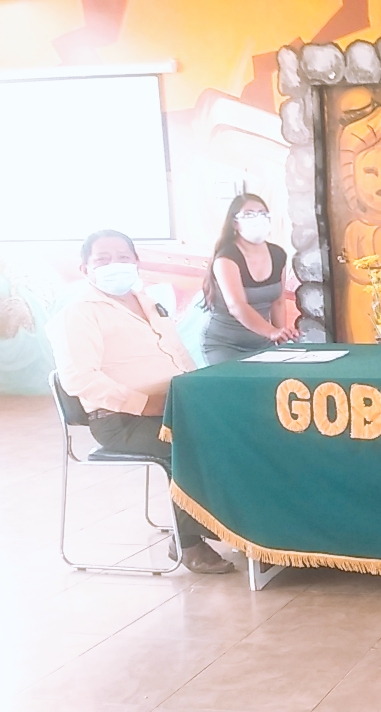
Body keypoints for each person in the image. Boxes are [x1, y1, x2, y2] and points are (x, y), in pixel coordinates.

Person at [46, 230, 237, 573]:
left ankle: (240, 527)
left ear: (136, 262)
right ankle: (187, 541)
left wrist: (199, 392)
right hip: (121, 420)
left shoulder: (148, 302)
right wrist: (143, 404)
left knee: (238, 430)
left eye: (123, 257)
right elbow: (80, 378)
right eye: (103, 259)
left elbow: (178, 355)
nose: (115, 265)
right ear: (85, 268)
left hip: (173, 407)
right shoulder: (79, 314)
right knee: (193, 444)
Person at [200, 194, 298, 364]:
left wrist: (281, 335)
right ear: (235, 223)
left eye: (262, 213)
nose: (257, 219)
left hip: (263, 343)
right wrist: (271, 332)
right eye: (249, 214)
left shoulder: (278, 254)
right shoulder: (226, 258)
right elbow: (236, 305)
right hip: (225, 345)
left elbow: (278, 302)